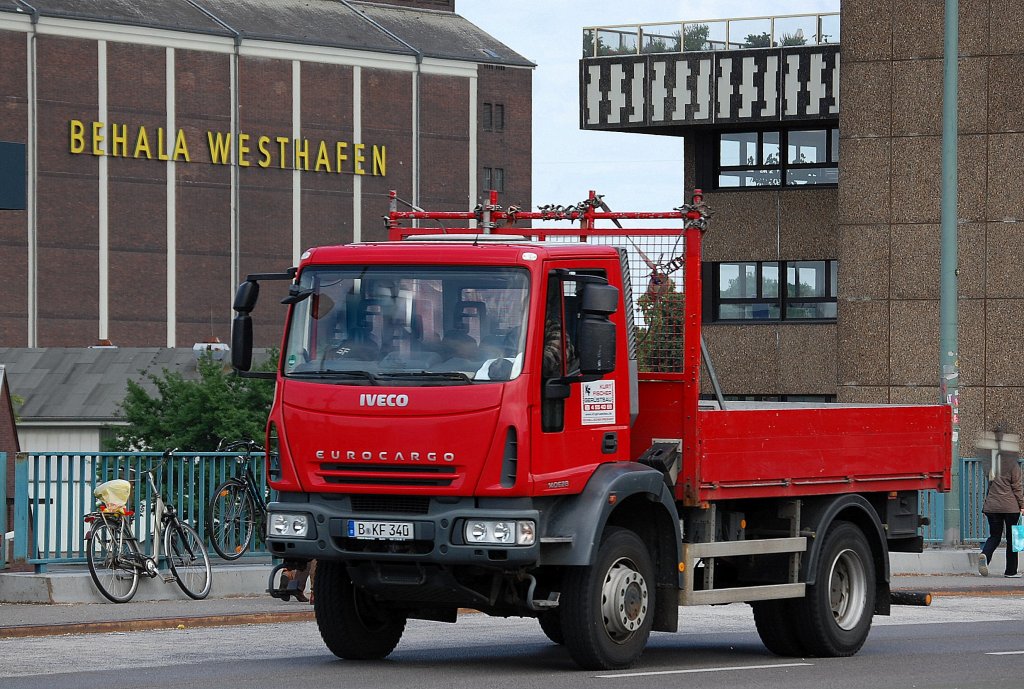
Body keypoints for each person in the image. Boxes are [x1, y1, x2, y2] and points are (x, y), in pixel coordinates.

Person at [978, 450, 1024, 578]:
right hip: (1010, 508)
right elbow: (1017, 487)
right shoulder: (1013, 465)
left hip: (992, 507)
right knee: (1012, 540)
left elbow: (990, 486)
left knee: (994, 536)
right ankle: (1011, 571)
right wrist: (1022, 504)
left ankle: (985, 555)